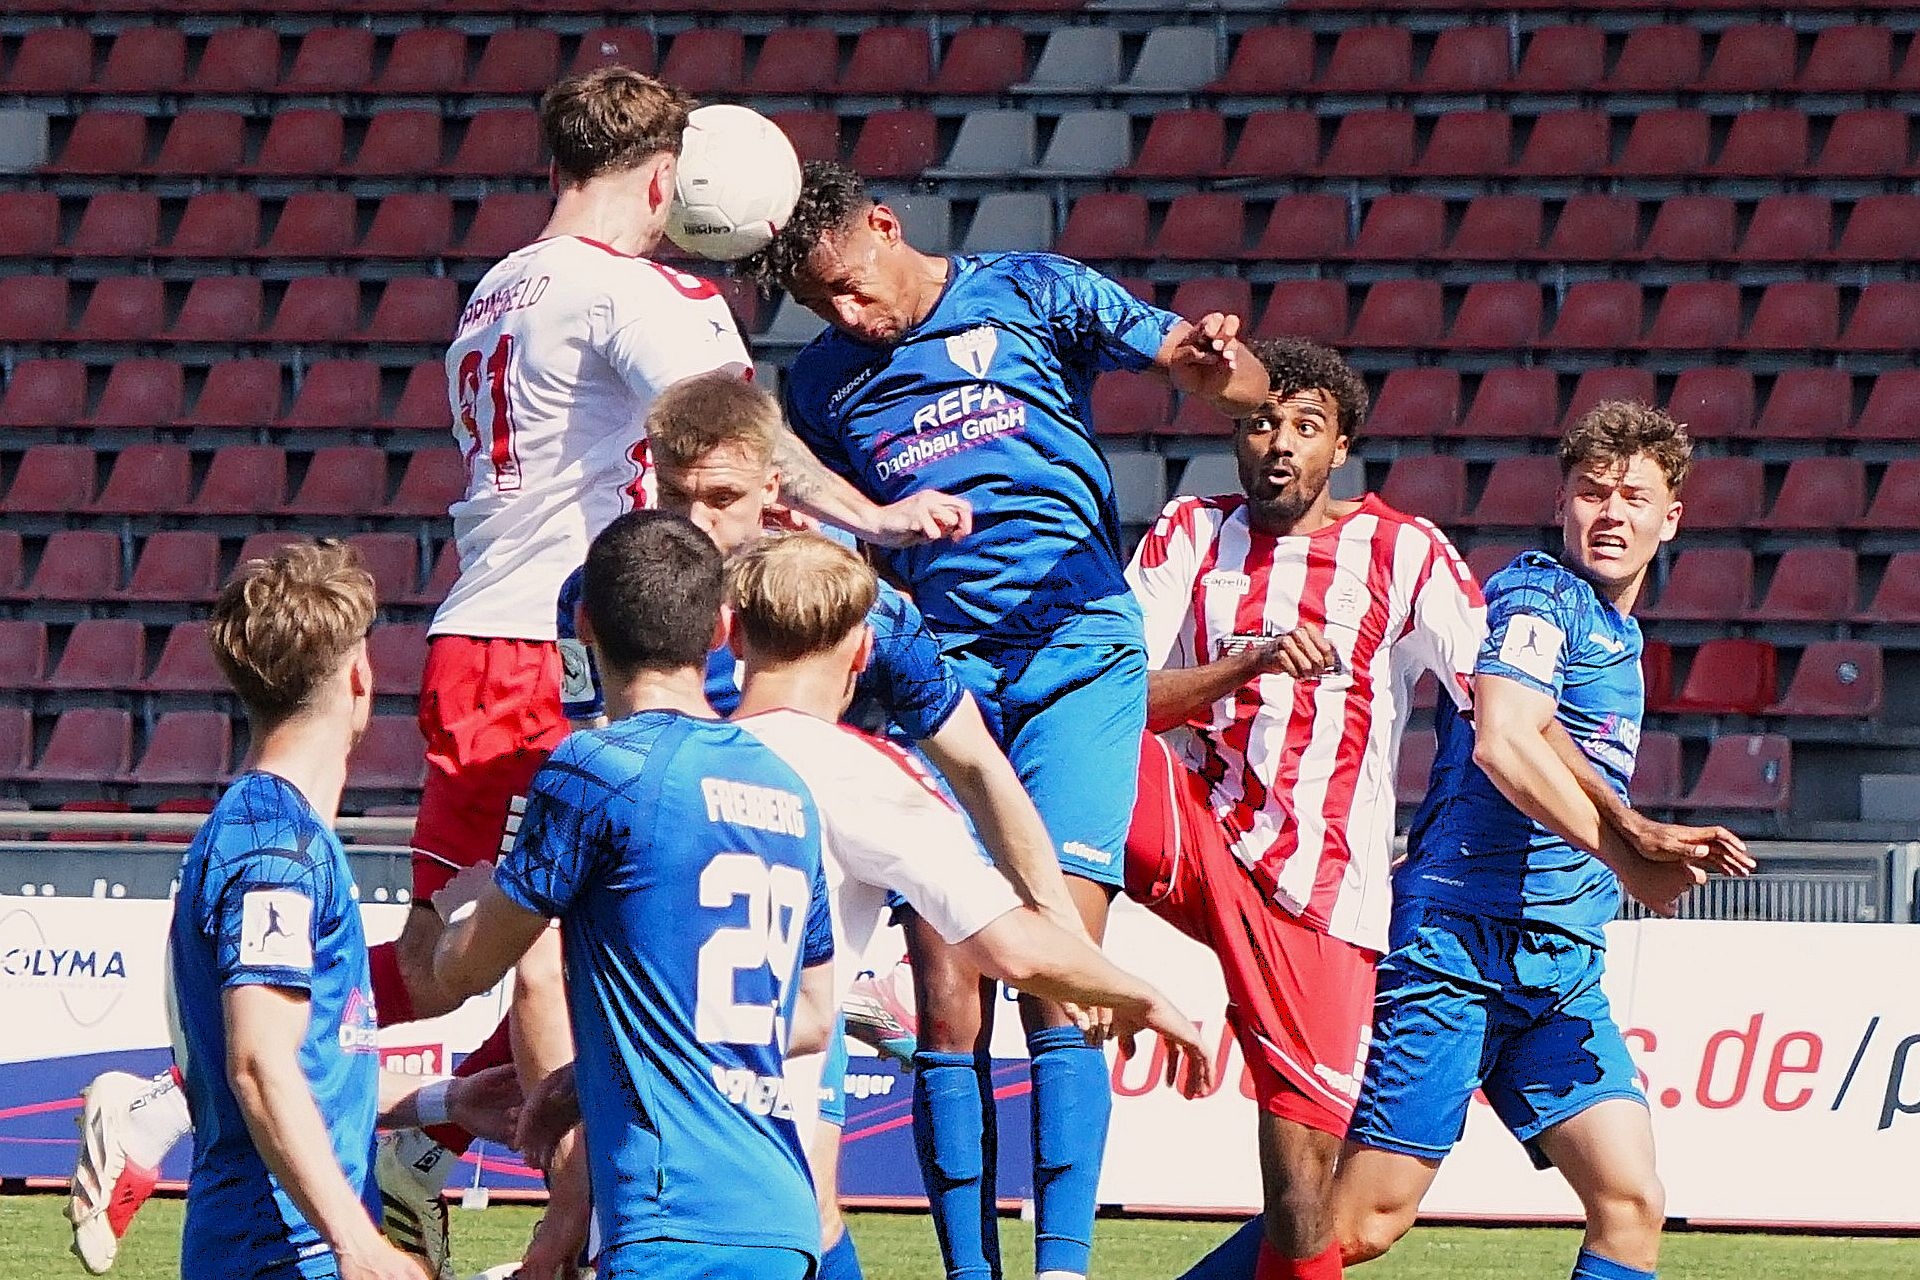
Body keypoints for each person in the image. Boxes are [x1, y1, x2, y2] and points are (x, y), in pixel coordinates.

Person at [67, 69, 965, 1279]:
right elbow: (729, 434)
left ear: (557, 167)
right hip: (565, 647)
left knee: (446, 963)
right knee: (547, 940)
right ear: (667, 182)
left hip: (476, 641)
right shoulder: (642, 291)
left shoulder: (498, 287)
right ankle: (582, 1224)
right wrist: (873, 513)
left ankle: (234, 1113)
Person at [742, 159, 1270, 1280]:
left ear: (885, 225)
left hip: (1078, 650)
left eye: (851, 284)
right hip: (942, 674)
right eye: (822, 303)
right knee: (948, 985)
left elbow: (1218, 375)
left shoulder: (1033, 289)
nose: (848, 314)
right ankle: (967, 1271)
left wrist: (1222, 367)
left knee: (1060, 966)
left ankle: (1061, 1268)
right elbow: (823, 515)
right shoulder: (824, 382)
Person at [502, 526, 1218, 1278]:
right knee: (813, 1221)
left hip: (644, 1161)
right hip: (761, 1160)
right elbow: (1009, 945)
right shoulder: (866, 776)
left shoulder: (660, 773)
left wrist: (580, 1090)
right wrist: (1140, 994)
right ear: (862, 652)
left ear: (731, 637)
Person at [1331, 403, 1752, 1280]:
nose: (1612, 514)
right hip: (1457, 949)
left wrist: (1632, 841)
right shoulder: (1537, 595)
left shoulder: (1618, 634)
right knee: (1363, 1223)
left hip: (1559, 966)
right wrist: (1631, 851)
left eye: (1635, 497)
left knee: (1630, 1202)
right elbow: (1505, 738)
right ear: (1561, 502)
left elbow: (1551, 740)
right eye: (1593, 492)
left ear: (1672, 518)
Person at [1120, 339, 1488, 1280]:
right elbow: (1116, 699)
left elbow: (1495, 706)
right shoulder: (1190, 530)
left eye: (1306, 426)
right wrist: (1244, 662)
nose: (1280, 442)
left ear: (1341, 445)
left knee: (1299, 1195)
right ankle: (1034, 970)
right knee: (1059, 735)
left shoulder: (1404, 550)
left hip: (1318, 893)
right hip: (1196, 825)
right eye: (1260, 423)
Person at [428, 512, 839, 1280]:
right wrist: (596, 1077)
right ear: (720, 631)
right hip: (781, 1215)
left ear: (584, 625)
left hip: (670, 1215)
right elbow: (812, 1015)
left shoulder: (598, 768)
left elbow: (467, 968)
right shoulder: (786, 788)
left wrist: (463, 907)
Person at [161, 540, 517, 1280]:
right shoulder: (275, 848)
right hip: (279, 1254)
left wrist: (449, 1100)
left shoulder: (279, 832)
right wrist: (358, 1244)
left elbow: (318, 1073)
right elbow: (259, 1065)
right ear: (360, 677)